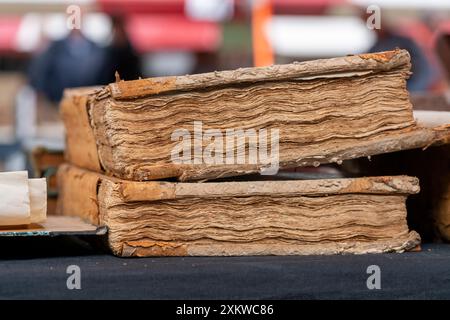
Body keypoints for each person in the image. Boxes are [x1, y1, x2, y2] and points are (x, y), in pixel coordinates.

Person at [28, 29, 106, 103]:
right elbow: (40, 71)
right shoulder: (55, 47)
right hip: (58, 100)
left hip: (87, 100)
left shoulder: (95, 48)